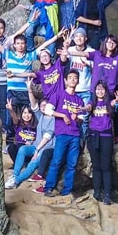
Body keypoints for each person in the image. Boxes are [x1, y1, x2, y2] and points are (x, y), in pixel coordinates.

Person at [40, 69, 86, 197]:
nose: (72, 79)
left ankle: (67, 191)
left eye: (75, 78)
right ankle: (48, 188)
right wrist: (63, 115)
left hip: (75, 135)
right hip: (62, 134)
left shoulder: (79, 100)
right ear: (65, 81)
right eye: (70, 77)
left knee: (72, 164)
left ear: (78, 81)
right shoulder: (58, 95)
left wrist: (76, 117)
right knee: (57, 161)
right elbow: (48, 110)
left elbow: (82, 120)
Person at [6, 85, 55, 189]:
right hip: (35, 146)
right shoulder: (41, 116)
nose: (44, 107)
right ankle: (14, 175)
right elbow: (33, 105)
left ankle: (16, 181)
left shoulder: (53, 119)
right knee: (22, 149)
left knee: (33, 163)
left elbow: (47, 136)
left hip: (44, 148)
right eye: (42, 106)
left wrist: (37, 150)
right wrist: (29, 89)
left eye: (46, 105)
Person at [87, 80, 118, 204]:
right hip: (93, 136)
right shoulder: (92, 102)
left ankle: (107, 194)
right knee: (96, 166)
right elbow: (89, 107)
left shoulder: (108, 103)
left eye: (102, 89)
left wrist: (117, 101)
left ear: (106, 91)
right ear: (95, 91)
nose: (100, 91)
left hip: (106, 137)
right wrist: (85, 107)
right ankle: (97, 192)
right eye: (98, 89)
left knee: (106, 166)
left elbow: (114, 103)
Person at [5, 99, 37, 165]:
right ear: (21, 114)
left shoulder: (36, 126)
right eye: (25, 113)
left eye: (29, 113)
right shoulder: (19, 124)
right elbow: (14, 118)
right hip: (19, 150)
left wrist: (32, 143)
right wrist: (11, 110)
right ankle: (18, 164)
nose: (27, 115)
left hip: (30, 151)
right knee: (11, 147)